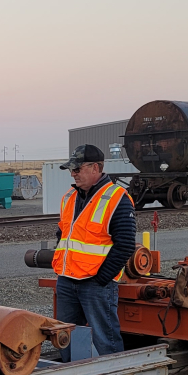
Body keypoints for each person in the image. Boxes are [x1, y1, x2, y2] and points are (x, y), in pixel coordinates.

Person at [51, 145, 136, 358]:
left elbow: (125, 244)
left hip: (95, 283)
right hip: (67, 280)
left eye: (78, 169)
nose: (73, 173)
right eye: (72, 169)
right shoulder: (69, 197)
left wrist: (101, 279)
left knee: (105, 339)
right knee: (65, 337)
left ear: (96, 168)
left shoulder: (117, 198)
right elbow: (63, 234)